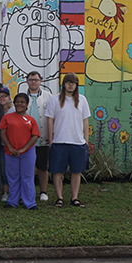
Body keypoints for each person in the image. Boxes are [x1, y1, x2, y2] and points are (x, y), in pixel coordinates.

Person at [44, 73, 90, 208]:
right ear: (63, 84)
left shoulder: (82, 100)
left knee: (76, 171)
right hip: (59, 141)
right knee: (57, 171)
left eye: (73, 82)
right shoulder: (55, 100)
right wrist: (51, 141)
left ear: (76, 85)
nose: (70, 85)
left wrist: (86, 140)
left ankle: (74, 198)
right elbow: (50, 121)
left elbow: (85, 121)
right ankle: (60, 198)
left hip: (78, 142)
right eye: (68, 82)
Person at [0, 93, 40, 210]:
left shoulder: (31, 120)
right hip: (10, 152)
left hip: (27, 153)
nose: (19, 104)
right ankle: (13, 201)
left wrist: (23, 149)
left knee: (27, 177)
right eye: (17, 102)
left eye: (22, 102)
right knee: (13, 177)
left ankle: (30, 203)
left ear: (27, 104)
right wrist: (10, 147)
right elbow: (2, 133)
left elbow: (35, 136)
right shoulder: (7, 117)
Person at [25, 71, 53, 202]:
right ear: (27, 81)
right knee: (27, 168)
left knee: (42, 167)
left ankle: (43, 191)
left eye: (36, 80)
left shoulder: (49, 97)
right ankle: (28, 191)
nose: (33, 82)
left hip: (43, 138)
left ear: (40, 81)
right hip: (26, 140)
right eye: (31, 79)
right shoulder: (22, 97)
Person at [0, 86, 12, 202]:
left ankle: (14, 191)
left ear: (9, 97)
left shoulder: (13, 110)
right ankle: (5, 192)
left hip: (12, 144)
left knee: (12, 169)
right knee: (3, 169)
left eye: (4, 96)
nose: (2, 99)